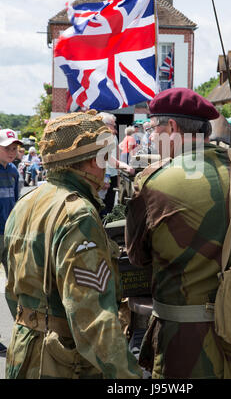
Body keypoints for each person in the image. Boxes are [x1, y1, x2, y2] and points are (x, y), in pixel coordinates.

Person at [125, 88, 231, 379]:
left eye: (151, 127)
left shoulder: (154, 181)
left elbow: (138, 258)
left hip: (186, 346)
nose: (150, 136)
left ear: (171, 128)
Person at [4, 110, 142, 379]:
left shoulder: (26, 203)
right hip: (63, 362)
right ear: (90, 162)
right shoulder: (77, 213)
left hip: (24, 353)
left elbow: (13, 292)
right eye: (103, 158)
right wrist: (130, 377)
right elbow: (92, 318)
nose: (107, 166)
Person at [0, 128, 23, 355]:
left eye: (15, 148)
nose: (12, 151)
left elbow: (16, 203)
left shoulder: (14, 171)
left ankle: (22, 331)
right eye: (7, 147)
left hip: (8, 234)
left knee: (15, 283)